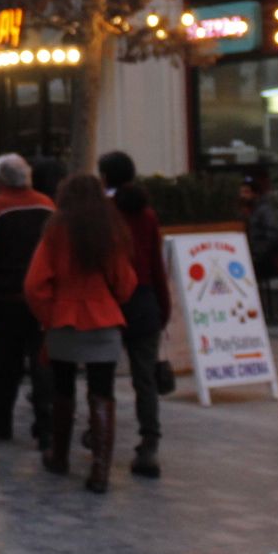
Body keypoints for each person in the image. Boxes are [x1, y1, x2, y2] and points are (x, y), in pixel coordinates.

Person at [22, 172, 139, 494]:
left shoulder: (56, 229)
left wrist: (50, 313)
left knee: (63, 389)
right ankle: (99, 472)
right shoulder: (110, 231)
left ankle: (59, 457)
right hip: (103, 319)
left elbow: (34, 284)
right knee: (102, 392)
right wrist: (111, 301)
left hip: (65, 320)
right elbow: (125, 281)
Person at [0, 153, 55, 448]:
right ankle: (45, 426)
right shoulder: (47, 204)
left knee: (7, 361)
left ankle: (1, 420)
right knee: (41, 360)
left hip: (7, 295)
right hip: (42, 296)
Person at [100, 150, 171, 480]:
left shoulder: (103, 213)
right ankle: (149, 443)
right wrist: (164, 306)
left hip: (111, 300)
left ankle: (98, 433)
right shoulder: (147, 214)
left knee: (102, 374)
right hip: (145, 300)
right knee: (145, 379)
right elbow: (157, 264)